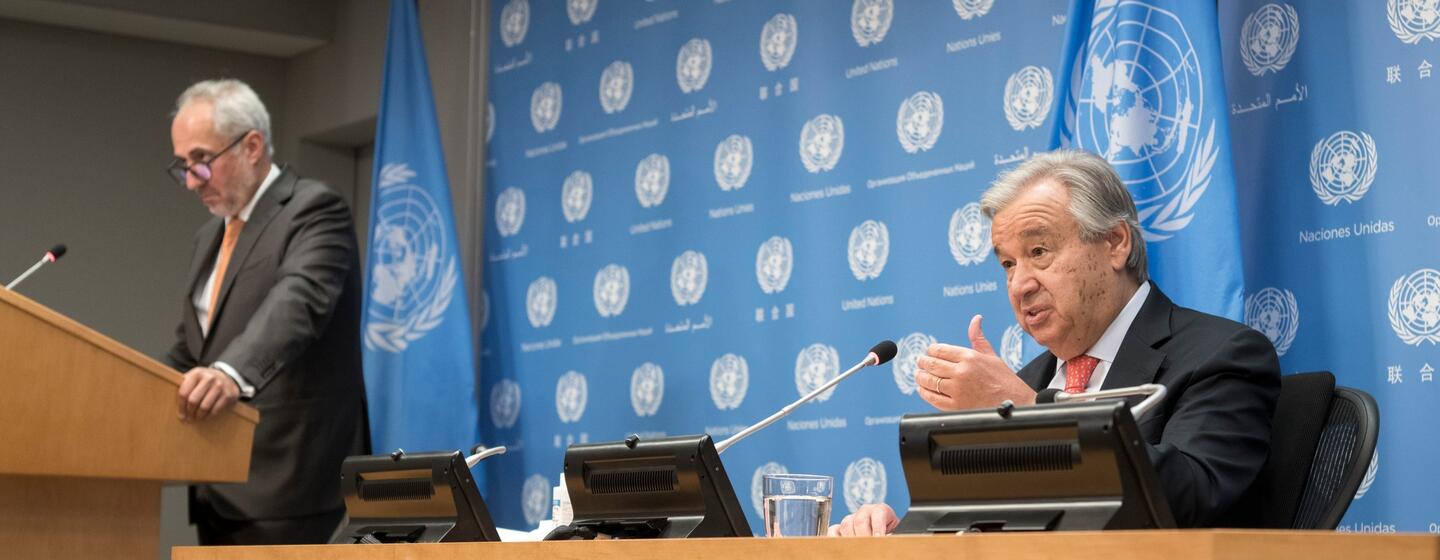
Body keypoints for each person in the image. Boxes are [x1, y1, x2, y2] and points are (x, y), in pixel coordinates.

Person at [832, 149, 1280, 535]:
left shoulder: (1222, 355)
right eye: (1008, 263)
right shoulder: (1028, 381)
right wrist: (900, 530)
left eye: (1039, 252)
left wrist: (1026, 414)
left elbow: (1188, 501)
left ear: (1115, 243)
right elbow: (982, 528)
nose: (1019, 285)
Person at [162, 79, 369, 545]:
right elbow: (190, 348)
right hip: (217, 486)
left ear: (252, 146)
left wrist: (230, 374)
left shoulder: (314, 209)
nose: (192, 180)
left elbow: (297, 304)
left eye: (201, 160)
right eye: (183, 165)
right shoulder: (208, 237)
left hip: (289, 485)